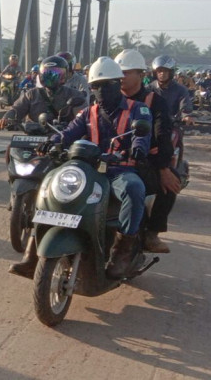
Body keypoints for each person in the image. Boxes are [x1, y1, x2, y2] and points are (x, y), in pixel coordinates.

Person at [47, 56, 152, 278]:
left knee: (135, 189)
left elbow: (142, 136)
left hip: (119, 171)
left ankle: (122, 251)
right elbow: (68, 134)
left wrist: (138, 148)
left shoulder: (138, 110)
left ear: (117, 83)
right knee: (52, 183)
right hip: (89, 172)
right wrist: (52, 141)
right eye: (95, 86)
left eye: (105, 85)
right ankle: (32, 251)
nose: (100, 91)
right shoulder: (87, 112)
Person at [5, 56, 89, 278]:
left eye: (56, 74)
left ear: (65, 76)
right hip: (33, 141)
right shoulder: (31, 93)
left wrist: (67, 128)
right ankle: (13, 186)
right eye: (47, 74)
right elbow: (16, 109)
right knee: (9, 148)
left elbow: (82, 119)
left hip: (59, 145)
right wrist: (8, 118)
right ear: (40, 74)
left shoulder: (73, 96)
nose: (50, 78)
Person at [118, 50, 177, 254]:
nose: (121, 77)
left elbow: (163, 136)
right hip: (110, 158)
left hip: (144, 160)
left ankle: (151, 233)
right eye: (119, 72)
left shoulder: (155, 101)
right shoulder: (107, 97)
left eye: (127, 72)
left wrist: (163, 168)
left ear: (141, 75)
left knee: (171, 183)